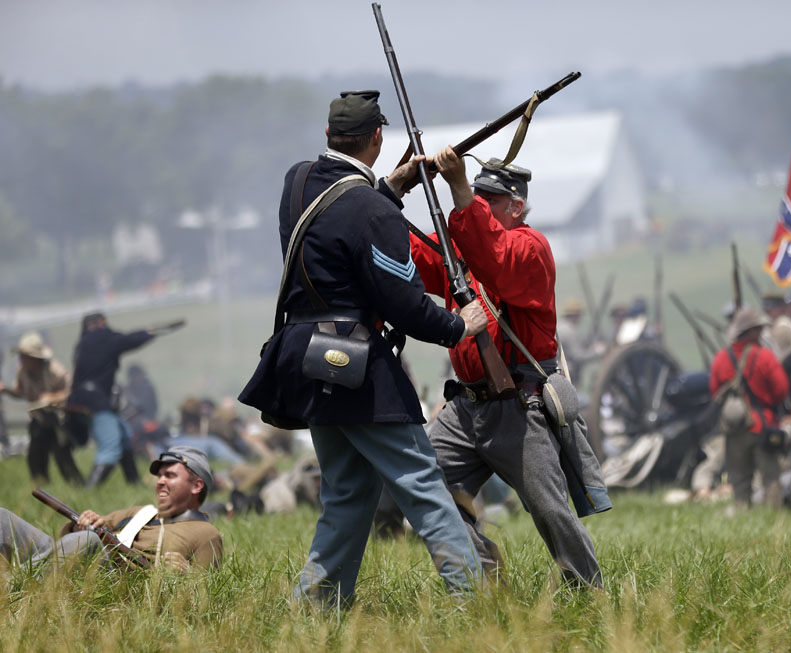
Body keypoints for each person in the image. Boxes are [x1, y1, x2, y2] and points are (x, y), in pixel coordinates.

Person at [238, 90, 487, 607]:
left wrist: (389, 188)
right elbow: (404, 302)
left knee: (349, 493)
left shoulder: (297, 180)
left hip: (306, 355)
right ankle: (475, 602)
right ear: (377, 137)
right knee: (423, 484)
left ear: (329, 135)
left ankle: (314, 607)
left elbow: (337, 223)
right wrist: (458, 325)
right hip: (354, 362)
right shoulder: (372, 209)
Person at [409, 147, 610, 587]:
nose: (478, 205)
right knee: (425, 488)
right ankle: (484, 577)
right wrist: (389, 196)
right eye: (476, 197)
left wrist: (459, 188)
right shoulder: (465, 248)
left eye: (489, 200)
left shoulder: (530, 248)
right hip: (466, 407)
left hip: (519, 403)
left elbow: (497, 262)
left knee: (550, 510)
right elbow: (414, 261)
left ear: (516, 208)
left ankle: (589, 592)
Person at [0, 446, 222, 571]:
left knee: (88, 541)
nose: (160, 481)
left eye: (170, 475)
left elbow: (204, 596)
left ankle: (16, 585)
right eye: (160, 475)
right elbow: (68, 540)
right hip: (71, 561)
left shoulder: (206, 534)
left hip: (114, 582)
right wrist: (80, 524)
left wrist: (184, 573)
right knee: (2, 518)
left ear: (196, 485)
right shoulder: (141, 513)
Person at [66, 313, 161, 487]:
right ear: (101, 323)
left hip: (80, 399)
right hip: (95, 401)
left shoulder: (83, 343)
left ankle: (134, 484)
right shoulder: (103, 337)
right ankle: (89, 490)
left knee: (124, 436)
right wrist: (147, 333)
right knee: (110, 446)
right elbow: (129, 340)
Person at [709, 306, 790, 509]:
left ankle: (741, 513)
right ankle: (773, 518)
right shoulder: (765, 357)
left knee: (739, 480)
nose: (761, 332)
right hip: (763, 425)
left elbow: (714, 391)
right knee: (771, 478)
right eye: (758, 328)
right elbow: (781, 389)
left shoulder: (721, 358)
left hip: (734, 427)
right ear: (751, 331)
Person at [0, 331, 83, 484]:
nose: (21, 360)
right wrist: (6, 390)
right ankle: (41, 487)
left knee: (62, 456)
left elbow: (72, 392)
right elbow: (21, 392)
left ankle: (77, 485)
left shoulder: (55, 370)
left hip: (58, 420)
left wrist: (52, 397)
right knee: (35, 456)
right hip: (38, 419)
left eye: (25, 357)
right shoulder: (22, 371)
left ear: (35, 358)